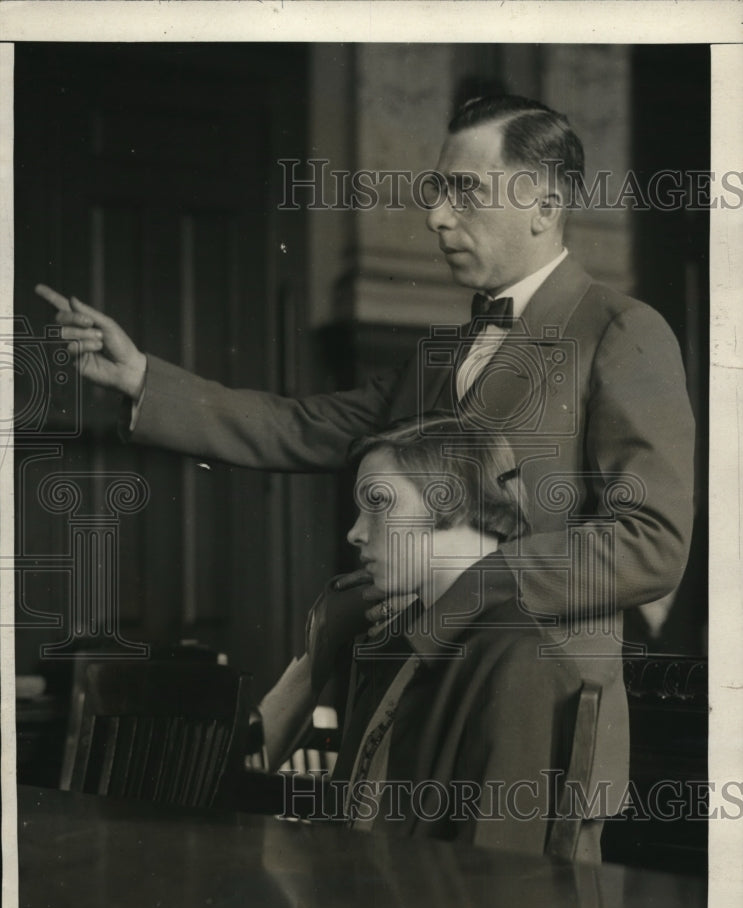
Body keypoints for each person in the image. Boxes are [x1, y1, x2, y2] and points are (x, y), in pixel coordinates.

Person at [35, 93, 696, 849]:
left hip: (526, 726)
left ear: (543, 203)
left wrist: (473, 570)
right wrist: (144, 378)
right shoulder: (438, 356)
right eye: (434, 192)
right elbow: (305, 425)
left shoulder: (622, 334)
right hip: (403, 714)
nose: (436, 218)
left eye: (463, 193)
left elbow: (651, 541)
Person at [256, 414, 584, 858]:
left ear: (452, 500)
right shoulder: (397, 640)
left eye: (378, 503)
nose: (354, 532)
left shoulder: (516, 660)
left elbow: (493, 886)